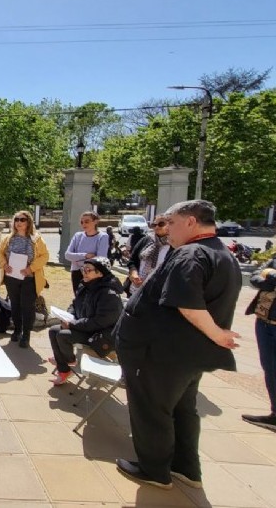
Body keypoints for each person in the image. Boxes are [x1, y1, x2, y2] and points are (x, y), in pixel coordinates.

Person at [114, 200, 242, 490]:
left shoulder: (192, 254)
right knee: (183, 410)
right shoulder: (221, 253)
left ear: (191, 222)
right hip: (185, 354)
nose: (165, 227)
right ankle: (186, 469)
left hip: (161, 353)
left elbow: (188, 304)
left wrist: (218, 335)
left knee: (152, 409)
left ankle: (154, 470)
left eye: (171, 222)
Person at [47, 256, 123, 385]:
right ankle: (65, 368)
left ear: (100, 273)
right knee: (53, 331)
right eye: (83, 269)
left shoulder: (109, 294)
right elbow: (74, 304)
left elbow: (99, 322)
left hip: (100, 335)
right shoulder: (85, 285)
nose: (84, 272)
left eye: (88, 270)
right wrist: (67, 316)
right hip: (85, 327)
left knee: (62, 335)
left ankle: (68, 361)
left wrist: (72, 324)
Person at [0, 210, 49, 348]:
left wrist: (30, 269)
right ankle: (17, 330)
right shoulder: (8, 238)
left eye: (22, 220)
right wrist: (4, 265)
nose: (19, 222)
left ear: (28, 222)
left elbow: (44, 256)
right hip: (12, 277)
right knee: (15, 305)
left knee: (27, 307)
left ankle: (26, 334)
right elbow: (0, 252)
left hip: (29, 278)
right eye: (17, 219)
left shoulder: (36, 239)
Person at [241, 259, 276, 431]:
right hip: (264, 322)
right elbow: (255, 276)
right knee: (270, 368)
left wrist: (270, 275)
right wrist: (268, 276)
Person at [65, 211, 109, 293]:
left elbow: (100, 259)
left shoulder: (102, 237)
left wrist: (77, 258)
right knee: (78, 298)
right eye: (81, 222)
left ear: (96, 221)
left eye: (87, 221)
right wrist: (86, 256)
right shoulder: (78, 236)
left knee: (91, 299)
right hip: (76, 272)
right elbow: (67, 255)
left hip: (92, 273)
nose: (83, 224)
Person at [126, 215, 171, 294]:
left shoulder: (174, 244)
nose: (157, 227)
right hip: (138, 288)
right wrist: (133, 272)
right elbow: (133, 260)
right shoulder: (146, 240)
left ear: (169, 224)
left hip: (159, 291)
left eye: (161, 224)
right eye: (154, 225)